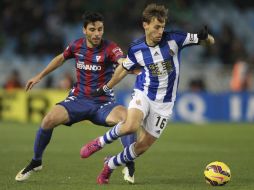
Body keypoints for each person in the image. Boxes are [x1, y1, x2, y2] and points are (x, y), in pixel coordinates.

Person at [81, 3, 215, 184]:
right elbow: (123, 69)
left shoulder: (175, 38)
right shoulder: (136, 48)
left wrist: (205, 39)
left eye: (163, 27)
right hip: (143, 93)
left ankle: (110, 165)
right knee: (130, 126)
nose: (161, 31)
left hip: (165, 103)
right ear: (145, 25)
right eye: (157, 27)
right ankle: (99, 142)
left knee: (142, 147)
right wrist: (106, 87)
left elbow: (208, 40)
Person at [15, 12, 137, 184]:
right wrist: (39, 76)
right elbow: (60, 59)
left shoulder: (111, 48)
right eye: (92, 29)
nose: (97, 33)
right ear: (84, 30)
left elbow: (122, 61)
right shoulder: (76, 46)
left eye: (100, 29)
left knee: (128, 119)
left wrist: (131, 66)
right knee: (48, 120)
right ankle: (36, 161)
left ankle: (128, 162)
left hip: (103, 103)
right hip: (78, 100)